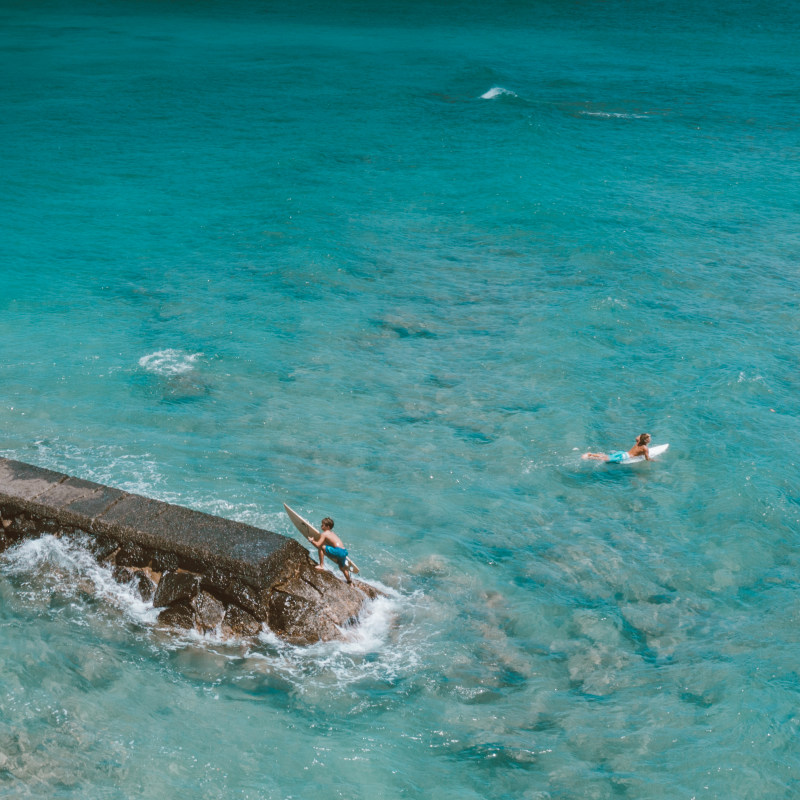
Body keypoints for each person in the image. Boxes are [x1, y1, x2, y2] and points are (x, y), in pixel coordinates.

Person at [309, 517, 352, 584]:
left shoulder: (324, 534)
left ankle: (321, 565)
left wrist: (312, 541)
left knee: (321, 547)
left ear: (328, 527)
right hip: (344, 552)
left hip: (338, 551)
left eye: (322, 525)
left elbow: (318, 545)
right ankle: (349, 581)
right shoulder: (332, 533)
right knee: (342, 568)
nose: (321, 526)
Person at [582, 433, 652, 462]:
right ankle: (589, 457)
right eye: (649, 438)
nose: (650, 439)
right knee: (606, 459)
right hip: (625, 457)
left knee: (607, 456)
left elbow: (637, 438)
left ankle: (591, 454)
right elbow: (647, 458)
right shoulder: (645, 448)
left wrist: (643, 436)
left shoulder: (638, 442)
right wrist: (654, 460)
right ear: (646, 440)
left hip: (623, 453)